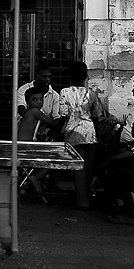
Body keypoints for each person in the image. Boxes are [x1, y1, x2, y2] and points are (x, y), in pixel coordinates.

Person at [58, 61, 101, 210]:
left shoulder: (64, 92)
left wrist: (58, 130)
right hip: (90, 132)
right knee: (88, 166)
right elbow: (96, 116)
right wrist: (97, 135)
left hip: (74, 132)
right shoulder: (92, 93)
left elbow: (63, 115)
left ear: (69, 76)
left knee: (77, 167)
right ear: (86, 76)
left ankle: (82, 200)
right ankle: (88, 196)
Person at [19, 86, 60, 200]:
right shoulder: (34, 112)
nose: (39, 102)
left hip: (28, 145)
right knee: (55, 158)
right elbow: (53, 123)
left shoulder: (34, 113)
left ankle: (32, 179)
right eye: (34, 99)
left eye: (41, 99)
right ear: (27, 102)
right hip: (27, 147)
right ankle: (37, 178)